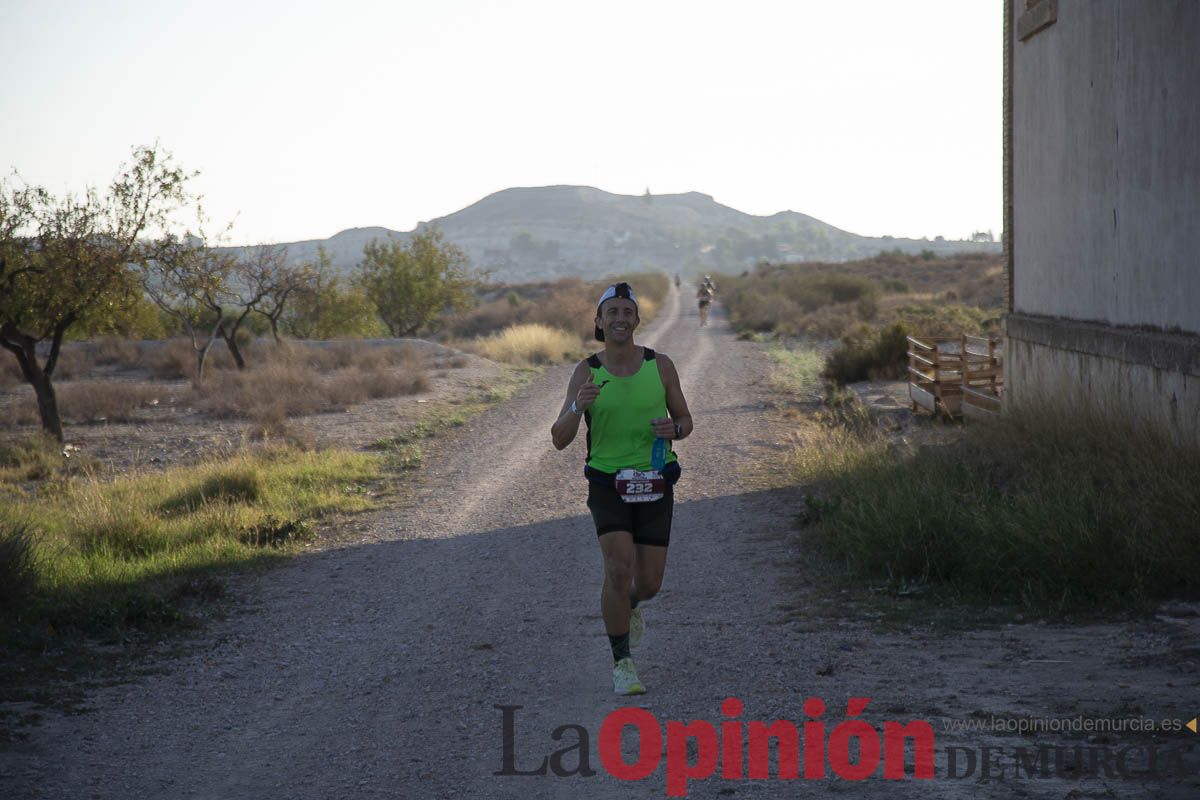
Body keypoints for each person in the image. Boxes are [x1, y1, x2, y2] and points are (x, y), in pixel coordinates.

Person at [551, 281, 693, 695]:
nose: (619, 319)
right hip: (608, 482)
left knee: (647, 584)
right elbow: (559, 438)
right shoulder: (587, 371)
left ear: (636, 321)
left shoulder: (660, 365)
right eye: (611, 312)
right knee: (617, 568)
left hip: (654, 480)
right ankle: (623, 663)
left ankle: (628, 604)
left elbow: (685, 420)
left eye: (626, 312)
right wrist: (579, 405)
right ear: (598, 321)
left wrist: (676, 430)